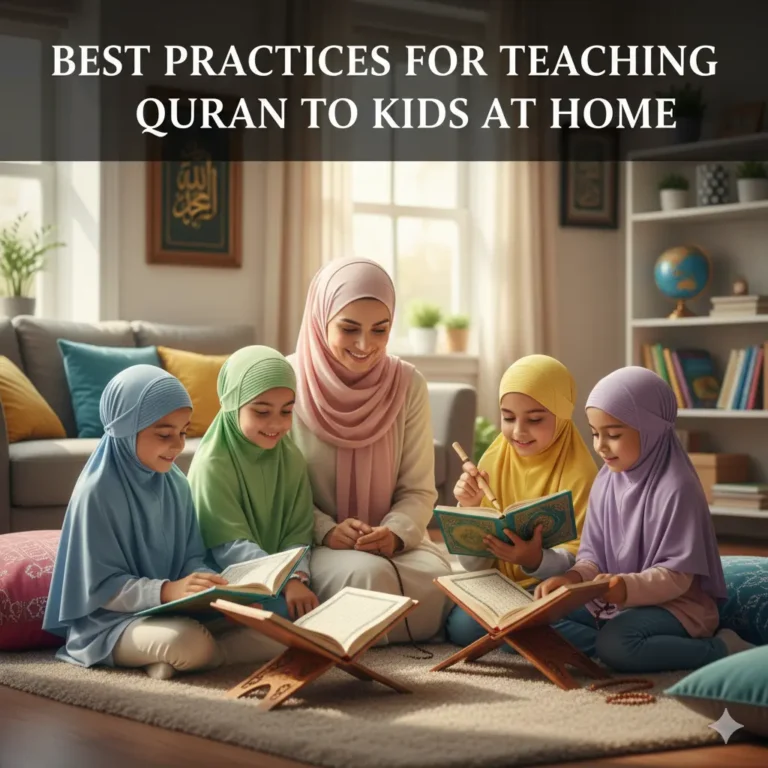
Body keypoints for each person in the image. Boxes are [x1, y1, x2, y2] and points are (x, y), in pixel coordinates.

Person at [43, 366, 280, 679]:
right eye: (165, 434)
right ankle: (199, 655)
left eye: (183, 433)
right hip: (112, 624)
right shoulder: (96, 493)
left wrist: (216, 590)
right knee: (183, 641)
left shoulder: (175, 484)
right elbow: (100, 589)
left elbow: (191, 559)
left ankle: (179, 659)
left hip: (171, 610)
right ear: (126, 428)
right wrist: (167, 590)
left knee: (276, 629)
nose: (178, 445)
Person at [536, 366, 753, 672]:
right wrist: (572, 579)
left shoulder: (678, 487)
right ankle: (606, 645)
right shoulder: (606, 480)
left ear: (651, 429)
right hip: (614, 601)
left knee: (619, 644)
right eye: (595, 433)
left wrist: (625, 587)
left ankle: (720, 649)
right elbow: (592, 556)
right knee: (535, 619)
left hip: (675, 606)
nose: (600, 445)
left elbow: (677, 577)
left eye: (613, 435)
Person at [288, 256, 452, 643]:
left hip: (396, 545)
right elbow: (275, 490)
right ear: (320, 319)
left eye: (380, 330)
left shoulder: (408, 384)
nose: (366, 346)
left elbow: (418, 489)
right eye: (349, 329)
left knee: (441, 581)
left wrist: (394, 533)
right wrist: (326, 530)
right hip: (308, 543)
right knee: (368, 577)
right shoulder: (287, 381)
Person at [446, 354, 598, 648]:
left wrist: (535, 560)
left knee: (523, 624)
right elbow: (474, 565)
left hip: (554, 588)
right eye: (508, 417)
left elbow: (587, 562)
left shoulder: (581, 474)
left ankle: (586, 641)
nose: (518, 431)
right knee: (459, 626)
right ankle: (525, 634)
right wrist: (470, 508)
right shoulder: (495, 458)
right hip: (503, 588)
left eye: (535, 419)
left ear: (562, 414)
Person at [187, 345, 318, 620]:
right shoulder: (213, 463)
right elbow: (229, 546)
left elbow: (297, 532)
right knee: (276, 613)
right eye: (261, 411)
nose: (276, 424)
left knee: (307, 607)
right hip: (219, 574)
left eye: (286, 411)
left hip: (275, 575)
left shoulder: (290, 458)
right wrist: (287, 582)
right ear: (232, 404)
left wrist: (294, 577)